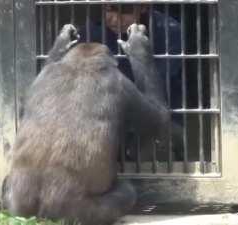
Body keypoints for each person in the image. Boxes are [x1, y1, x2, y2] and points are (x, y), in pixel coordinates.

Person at [79, 4, 185, 161]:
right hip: (109, 116)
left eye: (125, 11)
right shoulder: (92, 30)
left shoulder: (169, 30)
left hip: (154, 115)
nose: (114, 18)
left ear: (143, 7)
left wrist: (140, 56)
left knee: (150, 154)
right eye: (109, 9)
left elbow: (158, 87)